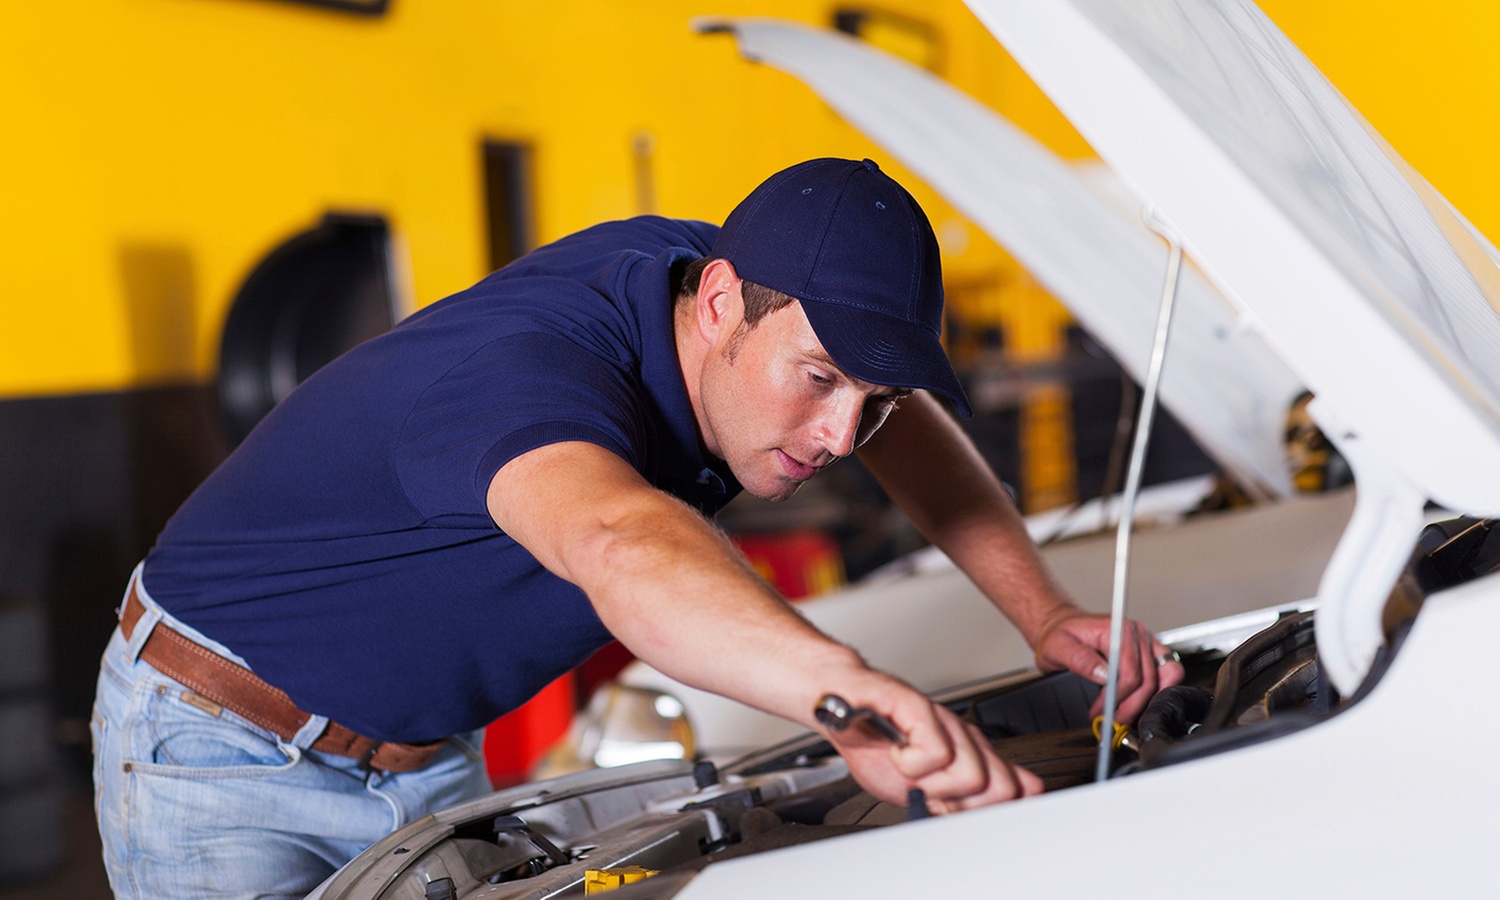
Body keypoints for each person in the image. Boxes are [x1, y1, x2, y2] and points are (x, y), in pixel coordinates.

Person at [92, 157, 1182, 897]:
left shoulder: (742, 289)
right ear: (719, 304)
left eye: (875, 398)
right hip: (224, 752)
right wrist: (846, 695)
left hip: (422, 756)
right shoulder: (528, 377)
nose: (843, 435)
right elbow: (621, 541)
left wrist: (1045, 613)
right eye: (819, 381)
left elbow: (896, 420)